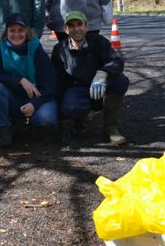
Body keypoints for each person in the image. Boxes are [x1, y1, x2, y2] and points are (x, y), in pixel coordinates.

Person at [51, 11, 129, 145]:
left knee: (120, 81)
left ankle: (111, 128)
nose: (76, 29)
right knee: (70, 107)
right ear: (65, 29)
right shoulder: (60, 49)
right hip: (77, 89)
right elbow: (57, 82)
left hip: (100, 85)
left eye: (79, 24)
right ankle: (81, 119)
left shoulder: (99, 42)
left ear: (86, 26)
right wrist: (63, 121)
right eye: (72, 26)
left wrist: (103, 72)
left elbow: (117, 61)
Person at [0, 13, 58, 147]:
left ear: (27, 31)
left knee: (46, 119)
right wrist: (19, 80)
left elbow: (50, 83)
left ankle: (30, 125)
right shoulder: (0, 47)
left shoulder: (36, 48)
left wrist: (34, 104)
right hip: (14, 97)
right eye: (12, 30)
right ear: (6, 32)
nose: (16, 34)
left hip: (39, 97)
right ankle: (5, 128)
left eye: (20, 30)